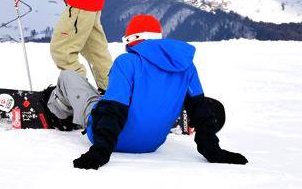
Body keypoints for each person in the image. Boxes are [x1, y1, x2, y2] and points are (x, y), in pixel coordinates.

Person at [44, 14, 248, 170]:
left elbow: (114, 108)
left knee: (69, 76)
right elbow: (201, 111)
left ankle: (57, 109)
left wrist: (100, 152)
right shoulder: (187, 67)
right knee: (112, 99)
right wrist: (213, 151)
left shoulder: (127, 62)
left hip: (112, 140)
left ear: (131, 40)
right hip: (152, 143)